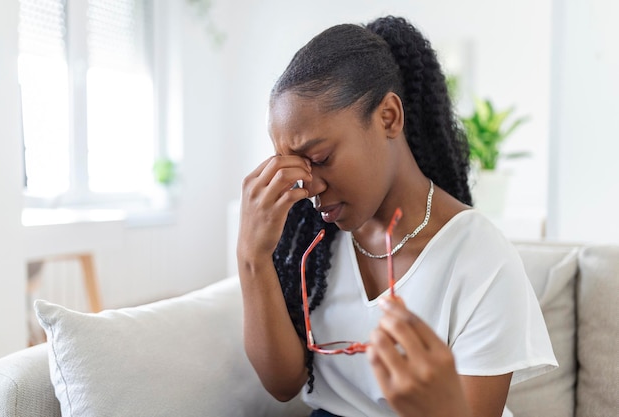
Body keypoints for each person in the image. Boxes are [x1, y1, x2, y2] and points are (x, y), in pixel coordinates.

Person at [237, 15, 557, 417]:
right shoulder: (316, 242)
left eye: (320, 158)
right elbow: (284, 385)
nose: (310, 185)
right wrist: (252, 256)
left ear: (388, 117)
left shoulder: (479, 257)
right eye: (294, 164)